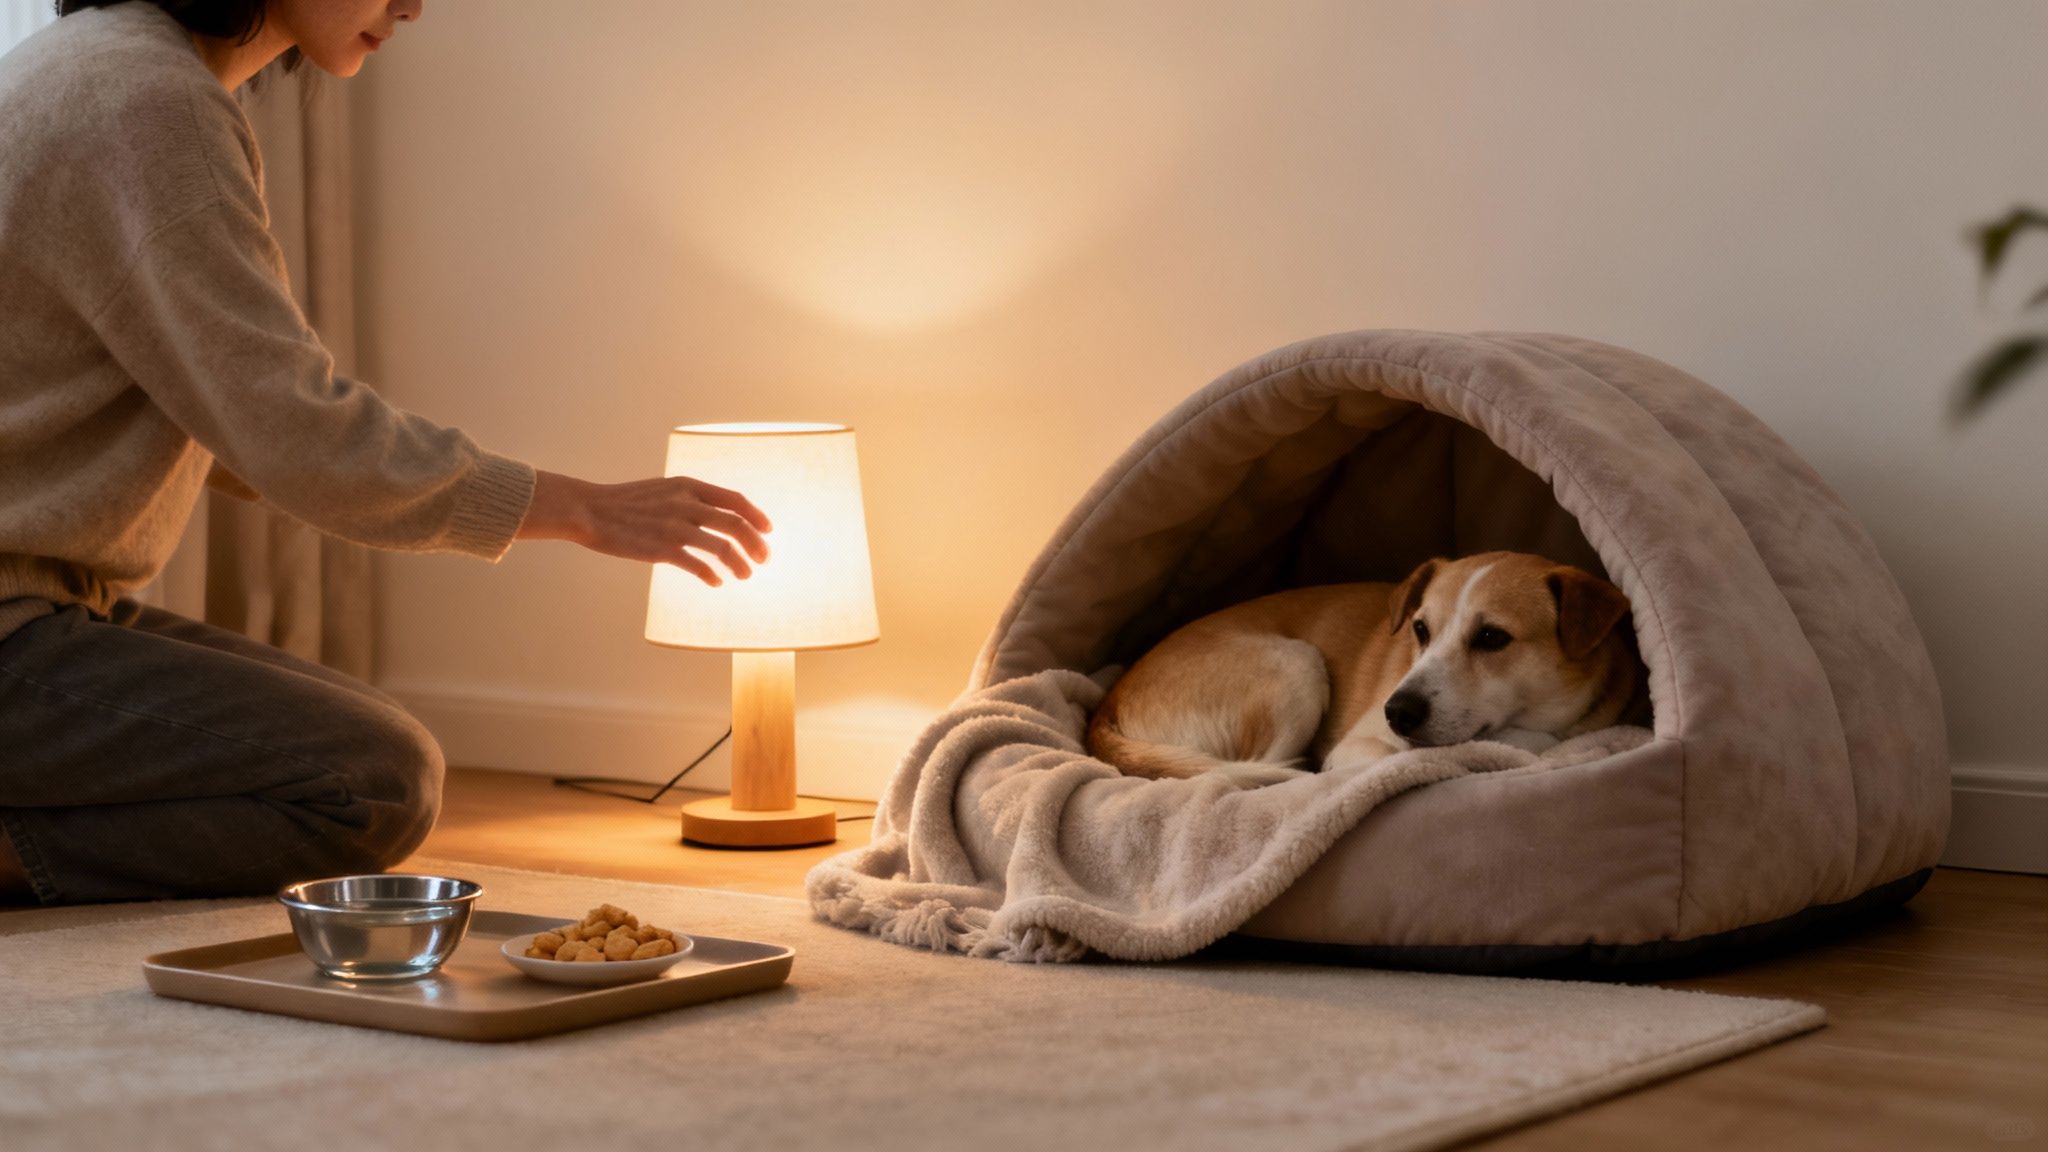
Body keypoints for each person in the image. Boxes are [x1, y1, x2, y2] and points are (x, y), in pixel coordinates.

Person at [0, 0, 772, 905]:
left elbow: (243, 424)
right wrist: (587, 509)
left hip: (44, 608)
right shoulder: (146, 101)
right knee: (374, 777)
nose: (412, 3)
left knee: (370, 749)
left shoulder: (103, 68)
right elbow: (293, 435)